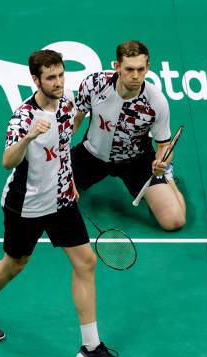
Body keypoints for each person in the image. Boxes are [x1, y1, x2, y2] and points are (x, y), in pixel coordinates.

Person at [0, 49, 134, 357]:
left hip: (61, 199)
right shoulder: (23, 117)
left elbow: (64, 145)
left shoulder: (66, 105)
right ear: (35, 79)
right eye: (51, 77)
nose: (59, 82)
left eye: (61, 75)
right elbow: (7, 161)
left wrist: (68, 180)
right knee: (15, 264)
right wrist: (29, 137)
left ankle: (90, 348)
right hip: (27, 205)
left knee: (85, 262)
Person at [71, 40, 186, 231]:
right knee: (50, 200)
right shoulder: (94, 84)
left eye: (141, 69)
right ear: (117, 67)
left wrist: (162, 163)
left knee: (174, 221)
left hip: (136, 161)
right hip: (91, 155)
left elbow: (164, 146)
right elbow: (75, 120)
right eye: (129, 69)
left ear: (148, 67)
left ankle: (169, 177)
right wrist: (58, 160)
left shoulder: (156, 102)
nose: (136, 76)